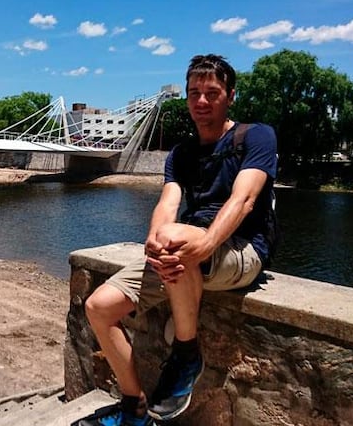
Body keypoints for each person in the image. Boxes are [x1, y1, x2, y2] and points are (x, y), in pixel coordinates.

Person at [82, 54, 278, 426]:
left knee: (176, 240)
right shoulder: (182, 153)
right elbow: (168, 202)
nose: (201, 102)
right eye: (194, 93)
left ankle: (187, 354)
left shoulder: (256, 136)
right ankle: (134, 407)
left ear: (230, 95)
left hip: (242, 249)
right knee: (99, 307)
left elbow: (244, 199)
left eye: (212, 92)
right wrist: (153, 242)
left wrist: (202, 245)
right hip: (185, 249)